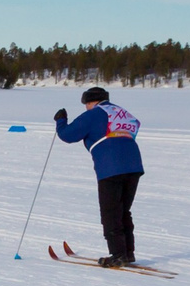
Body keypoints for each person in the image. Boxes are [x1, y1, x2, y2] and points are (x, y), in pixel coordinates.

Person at [54, 86, 147, 266]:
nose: (86, 108)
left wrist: (60, 120)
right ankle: (127, 253)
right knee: (123, 211)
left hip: (111, 166)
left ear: (91, 102)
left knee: (111, 212)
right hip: (134, 164)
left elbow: (68, 135)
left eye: (86, 104)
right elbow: (135, 125)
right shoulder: (121, 111)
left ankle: (118, 255)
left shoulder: (94, 113)